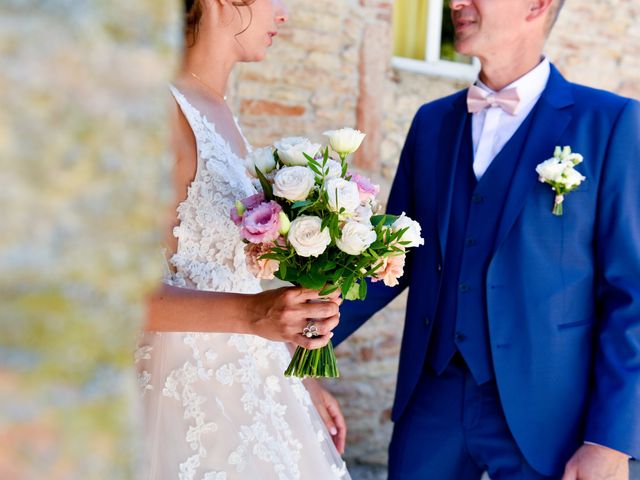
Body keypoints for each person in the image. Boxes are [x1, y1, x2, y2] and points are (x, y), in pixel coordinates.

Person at [334, 0, 640, 478]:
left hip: (551, 418)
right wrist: (302, 335)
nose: (456, 3)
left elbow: (632, 297)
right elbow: (392, 259)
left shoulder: (611, 123)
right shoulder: (431, 123)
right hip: (432, 399)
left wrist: (610, 440)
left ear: (537, 5)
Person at [136, 1, 350, 478]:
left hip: (254, 394)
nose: (284, 14)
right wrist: (255, 316)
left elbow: (231, 273)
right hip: (179, 407)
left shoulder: (217, 109)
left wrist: (300, 375)